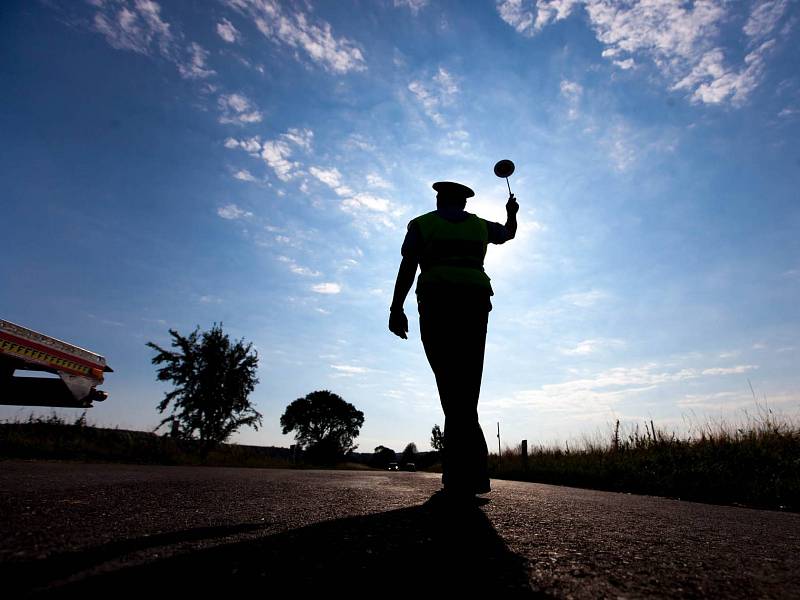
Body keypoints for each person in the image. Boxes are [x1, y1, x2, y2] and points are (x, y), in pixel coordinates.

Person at [389, 180, 518, 500]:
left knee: (450, 385)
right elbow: (508, 233)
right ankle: (469, 475)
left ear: (438, 199)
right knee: (467, 387)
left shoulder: (422, 224)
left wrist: (396, 307)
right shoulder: (478, 225)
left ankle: (463, 475)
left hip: (436, 303)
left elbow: (408, 265)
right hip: (475, 303)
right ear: (463, 202)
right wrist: (512, 213)